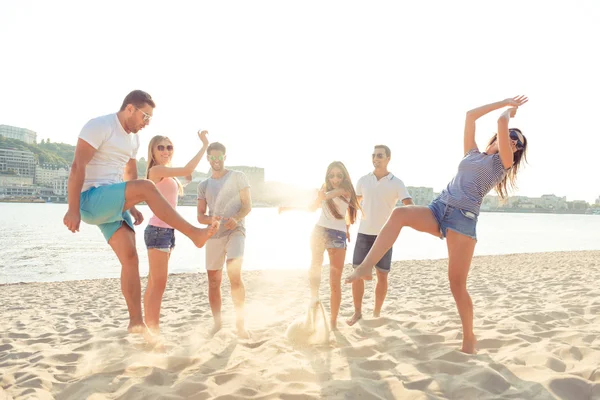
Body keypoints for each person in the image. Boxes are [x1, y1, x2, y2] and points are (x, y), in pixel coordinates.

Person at [346, 95, 529, 353]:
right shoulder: (473, 154)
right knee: (399, 215)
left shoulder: (502, 163)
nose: (512, 139)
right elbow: (469, 116)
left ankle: (469, 337)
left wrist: (509, 112)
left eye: (517, 141)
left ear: (516, 150)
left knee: (456, 285)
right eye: (511, 135)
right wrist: (503, 105)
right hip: (438, 208)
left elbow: (500, 121)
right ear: (496, 136)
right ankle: (365, 267)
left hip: (462, 220)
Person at [63, 90, 217, 336]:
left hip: (112, 203)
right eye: (145, 116)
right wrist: (73, 209)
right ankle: (194, 234)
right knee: (147, 187)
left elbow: (129, 174)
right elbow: (77, 166)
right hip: (90, 199)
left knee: (131, 260)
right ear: (130, 109)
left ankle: (136, 322)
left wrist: (131, 204)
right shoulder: (99, 126)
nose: (147, 122)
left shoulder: (132, 140)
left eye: (150, 118)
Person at [143, 130, 210, 334]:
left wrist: (187, 178)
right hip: (158, 231)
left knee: (154, 283)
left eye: (169, 147)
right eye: (160, 147)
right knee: (158, 286)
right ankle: (154, 333)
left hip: (166, 232)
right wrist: (204, 145)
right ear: (153, 152)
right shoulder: (156, 171)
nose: (165, 150)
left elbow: (179, 183)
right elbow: (189, 168)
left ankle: (148, 330)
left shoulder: (166, 174)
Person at [281, 161, 361, 331]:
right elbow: (312, 208)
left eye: (339, 175)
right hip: (318, 232)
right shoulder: (324, 189)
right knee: (314, 270)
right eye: (332, 175)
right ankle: (314, 300)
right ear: (327, 175)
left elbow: (329, 197)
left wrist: (321, 195)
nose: (335, 178)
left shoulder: (345, 189)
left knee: (334, 282)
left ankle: (332, 323)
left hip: (337, 237)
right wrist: (289, 208)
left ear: (345, 176)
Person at [347, 145, 413, 326]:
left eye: (380, 155)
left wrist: (405, 223)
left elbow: (409, 205)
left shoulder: (396, 182)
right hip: (363, 234)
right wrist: (346, 225)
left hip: (385, 236)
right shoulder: (363, 180)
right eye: (374, 155)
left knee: (382, 276)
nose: (376, 158)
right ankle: (358, 312)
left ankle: (376, 313)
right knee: (357, 274)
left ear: (388, 158)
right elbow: (354, 204)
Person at [197, 142, 252, 338]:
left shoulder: (238, 177)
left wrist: (236, 219)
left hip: (236, 231)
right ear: (208, 159)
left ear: (225, 157)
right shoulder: (203, 185)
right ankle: (218, 324)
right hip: (214, 235)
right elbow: (200, 216)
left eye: (219, 157)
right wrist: (212, 220)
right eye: (212, 157)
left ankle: (240, 325)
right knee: (213, 281)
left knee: (234, 274)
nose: (216, 160)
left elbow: (247, 206)